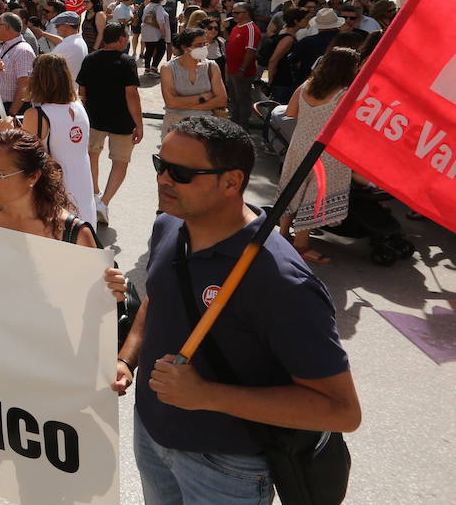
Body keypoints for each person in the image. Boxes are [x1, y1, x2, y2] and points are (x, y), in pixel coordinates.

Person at [113, 116, 361, 504]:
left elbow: (341, 411)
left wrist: (207, 395)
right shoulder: (170, 224)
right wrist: (127, 359)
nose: (164, 180)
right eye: (161, 165)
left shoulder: (281, 280)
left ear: (231, 182)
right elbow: (158, 298)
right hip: (151, 435)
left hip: (225, 467)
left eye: (180, 172)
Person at [0, 128, 114, 505]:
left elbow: (95, 315)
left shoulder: (72, 233)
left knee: (35, 473)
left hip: (46, 374)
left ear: (33, 176)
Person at [276, 48, 362, 264]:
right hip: (326, 152)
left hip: (299, 145)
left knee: (292, 188)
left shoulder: (306, 86)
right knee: (314, 197)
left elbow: (290, 113)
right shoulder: (344, 94)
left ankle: (283, 234)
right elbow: (352, 127)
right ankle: (302, 245)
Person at [1, 53, 95, 225]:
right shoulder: (79, 107)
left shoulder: (36, 114)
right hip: (83, 185)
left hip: (56, 190)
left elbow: (23, 155)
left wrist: (4, 131)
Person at [76, 22, 142, 225]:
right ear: (121, 39)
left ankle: (95, 195)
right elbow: (132, 95)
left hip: (93, 118)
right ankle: (104, 203)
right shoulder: (127, 62)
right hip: (122, 121)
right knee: (120, 161)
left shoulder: (89, 59)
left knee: (92, 156)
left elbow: (82, 93)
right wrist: (139, 124)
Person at [160, 27, 228, 139]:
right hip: (175, 126)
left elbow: (221, 100)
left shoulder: (212, 66)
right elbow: (171, 102)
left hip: (205, 127)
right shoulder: (168, 68)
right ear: (185, 47)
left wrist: (183, 104)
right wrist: (204, 97)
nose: (203, 48)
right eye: (198, 45)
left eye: (204, 44)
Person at [223, 2, 261, 128]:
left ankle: (242, 125)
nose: (234, 14)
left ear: (247, 13)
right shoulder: (237, 26)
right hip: (232, 70)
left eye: (237, 12)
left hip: (241, 72)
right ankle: (234, 121)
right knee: (233, 97)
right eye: (233, 12)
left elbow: (250, 51)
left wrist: (242, 69)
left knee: (243, 99)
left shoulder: (251, 29)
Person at [0, 12, 35, 114]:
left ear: (6, 27)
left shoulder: (23, 51)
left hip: (9, 108)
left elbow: (24, 85)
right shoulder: (6, 45)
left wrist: (12, 113)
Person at [31, 9, 89, 81]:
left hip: (64, 89)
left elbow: (45, 67)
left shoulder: (67, 45)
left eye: (58, 25)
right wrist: (43, 34)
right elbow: (61, 41)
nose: (55, 27)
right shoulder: (78, 41)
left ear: (67, 26)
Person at [139, 0, 171, 75]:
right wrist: (164, 34)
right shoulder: (158, 7)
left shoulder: (148, 6)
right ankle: (154, 67)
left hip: (146, 32)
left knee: (149, 50)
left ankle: (147, 69)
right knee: (161, 50)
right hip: (156, 33)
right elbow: (161, 22)